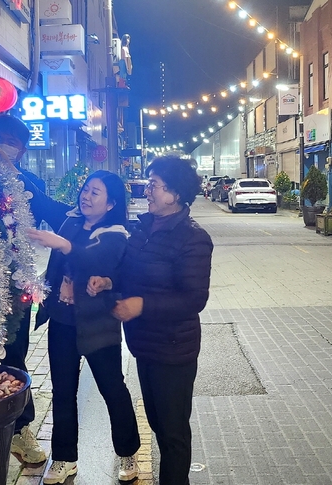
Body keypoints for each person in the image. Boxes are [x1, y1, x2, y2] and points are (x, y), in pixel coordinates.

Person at [0, 162, 141, 484]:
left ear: (111, 203)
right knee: (63, 391)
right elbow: (41, 199)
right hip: (62, 321)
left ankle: (128, 452)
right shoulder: (70, 219)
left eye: (95, 192)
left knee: (112, 389)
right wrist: (11, 169)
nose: (86, 196)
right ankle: (64, 459)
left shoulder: (116, 234)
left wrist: (63, 245)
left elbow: (97, 258)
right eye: (85, 189)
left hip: (97, 324)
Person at [88, 155, 214, 485]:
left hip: (173, 349)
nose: (147, 191)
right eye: (148, 184)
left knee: (173, 434)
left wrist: (142, 305)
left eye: (153, 185)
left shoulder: (193, 238)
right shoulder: (143, 228)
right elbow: (129, 271)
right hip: (144, 345)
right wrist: (109, 282)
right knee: (158, 423)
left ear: (175, 193)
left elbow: (194, 299)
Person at [0, 114, 47, 464]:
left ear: (22, 151)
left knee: (14, 357)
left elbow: (53, 212)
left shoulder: (28, 184)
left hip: (14, 286)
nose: (3, 147)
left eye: (12, 143)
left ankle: (21, 429)